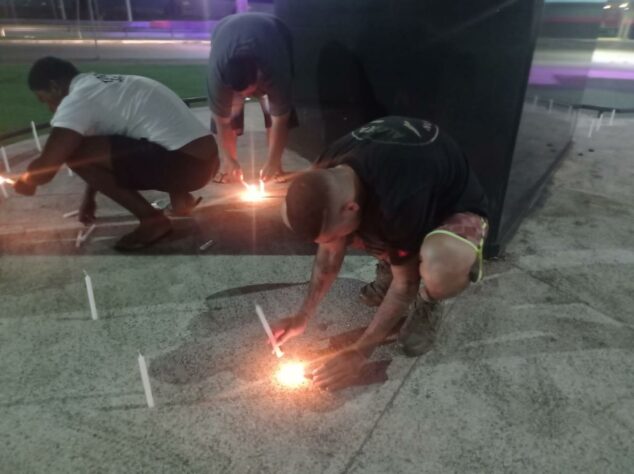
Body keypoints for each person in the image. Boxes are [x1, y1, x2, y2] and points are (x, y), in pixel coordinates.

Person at [276, 116, 489, 390]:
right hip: (397, 204)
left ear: (351, 208)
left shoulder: (399, 197)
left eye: (334, 239)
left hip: (448, 207)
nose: (335, 246)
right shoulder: (327, 168)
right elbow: (328, 257)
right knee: (296, 215)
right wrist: (302, 316)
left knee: (440, 266)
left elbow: (406, 285)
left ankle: (429, 303)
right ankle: (390, 259)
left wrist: (359, 353)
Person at [12, 57, 219, 251]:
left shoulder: (76, 100)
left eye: (44, 99)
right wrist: (89, 197)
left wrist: (26, 180)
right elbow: (105, 153)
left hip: (186, 167)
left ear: (55, 86)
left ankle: (152, 221)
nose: (49, 108)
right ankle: (181, 199)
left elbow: (47, 167)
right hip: (207, 161)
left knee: (73, 152)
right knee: (148, 132)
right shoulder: (105, 85)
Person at [207, 12, 297, 184]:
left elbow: (280, 119)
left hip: (274, 31)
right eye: (240, 94)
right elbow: (221, 122)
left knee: (272, 108)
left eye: (248, 91)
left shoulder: (276, 69)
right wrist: (229, 159)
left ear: (259, 75)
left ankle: (275, 165)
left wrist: (272, 161)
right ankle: (229, 168)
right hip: (224, 29)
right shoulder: (217, 76)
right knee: (229, 112)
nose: (245, 97)